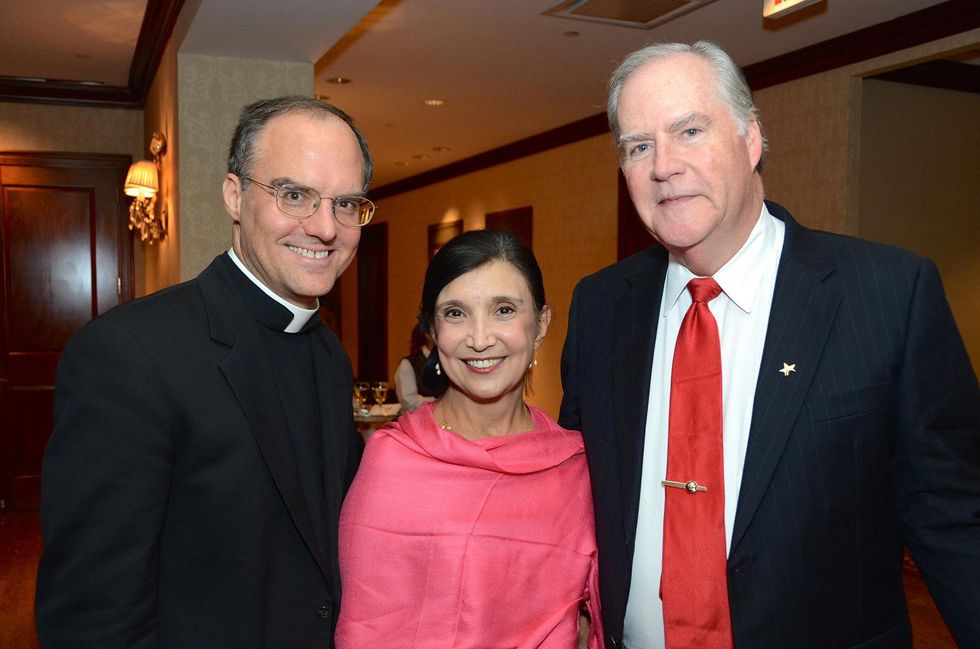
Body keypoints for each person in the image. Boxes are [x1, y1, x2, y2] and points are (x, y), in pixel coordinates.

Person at [558, 41, 980, 649]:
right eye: (639, 146)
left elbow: (953, 517)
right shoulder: (600, 306)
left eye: (690, 131)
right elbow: (574, 495)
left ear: (751, 138)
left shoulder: (887, 294)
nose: (663, 166)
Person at [36, 95, 375, 648]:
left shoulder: (329, 355)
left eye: (346, 204)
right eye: (294, 195)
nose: (324, 228)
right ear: (234, 196)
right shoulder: (130, 354)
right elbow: (92, 617)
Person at [336, 229, 603, 648]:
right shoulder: (395, 462)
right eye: (456, 313)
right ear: (432, 329)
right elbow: (368, 625)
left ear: (541, 324)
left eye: (503, 310)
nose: (480, 339)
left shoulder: (574, 467)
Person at [393, 324, 443, 412]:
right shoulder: (408, 364)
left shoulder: (451, 361)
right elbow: (408, 402)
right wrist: (442, 403)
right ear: (428, 335)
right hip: (422, 418)